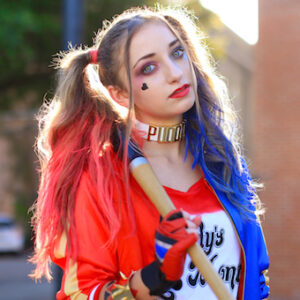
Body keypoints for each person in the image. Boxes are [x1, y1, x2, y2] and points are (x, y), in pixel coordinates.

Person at [29, 6, 269, 300]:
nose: (175, 73)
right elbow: (82, 293)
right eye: (148, 68)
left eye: (177, 53)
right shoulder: (101, 179)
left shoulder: (223, 163)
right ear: (120, 94)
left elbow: (257, 276)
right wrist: (156, 275)